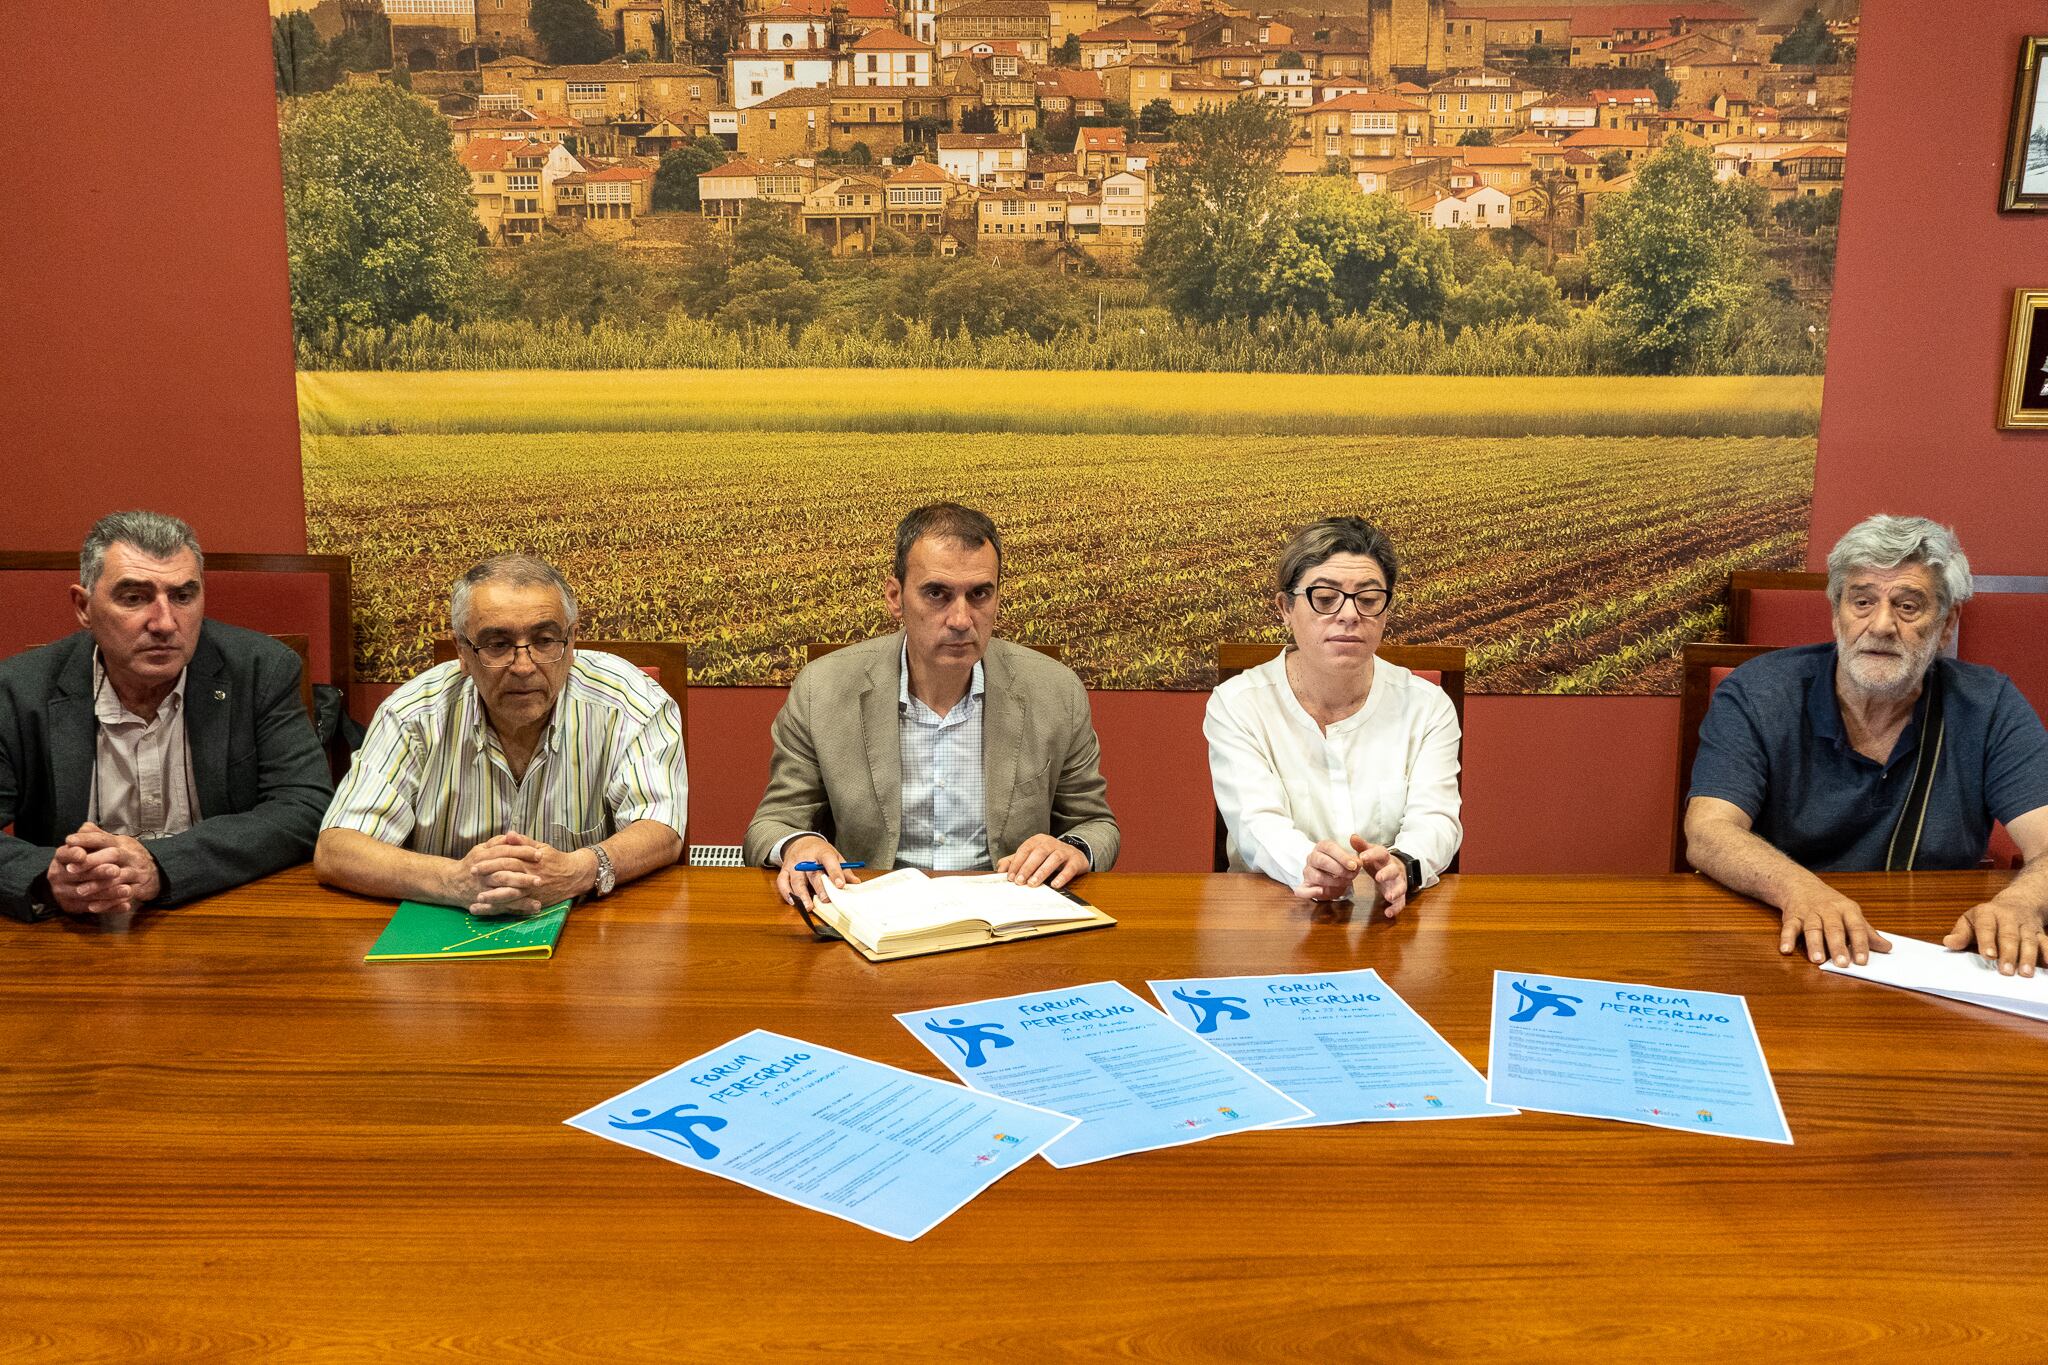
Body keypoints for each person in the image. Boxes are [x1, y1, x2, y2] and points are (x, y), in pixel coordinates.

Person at [1685, 514, 2048, 975]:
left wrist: (2023, 901)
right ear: (1836, 610)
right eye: (1861, 601)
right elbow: (1708, 832)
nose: (1880, 625)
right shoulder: (1757, 692)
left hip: (1934, 950)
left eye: (1909, 606)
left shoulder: (1990, 703)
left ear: (1947, 622)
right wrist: (1800, 888)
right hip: (1784, 937)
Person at [746, 502, 1119, 910]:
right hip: (873, 914)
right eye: (937, 594)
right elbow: (772, 825)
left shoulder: (1054, 691)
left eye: (979, 594)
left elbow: (1095, 825)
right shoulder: (823, 689)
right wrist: (799, 844)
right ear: (895, 597)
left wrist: (1073, 848)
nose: (961, 618)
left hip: (1007, 916)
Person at [0, 510, 333, 923]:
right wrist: (47, 879)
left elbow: (304, 805)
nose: (165, 623)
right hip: (75, 927)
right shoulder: (18, 689)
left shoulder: (260, 670)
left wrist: (160, 864)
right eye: (135, 597)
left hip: (222, 911)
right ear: (84, 607)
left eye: (182, 595)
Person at [315, 554, 685, 913]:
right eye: (498, 645)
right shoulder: (413, 713)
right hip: (445, 933)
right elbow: (337, 849)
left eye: (544, 641)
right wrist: (455, 880)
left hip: (589, 926)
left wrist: (579, 871)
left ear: (571, 642)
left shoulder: (630, 702)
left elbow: (661, 830)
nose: (523, 666)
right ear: (463, 650)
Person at [1205, 516, 1462, 914]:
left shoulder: (1428, 706)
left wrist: (1403, 865)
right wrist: (1307, 866)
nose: (1349, 615)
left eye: (1369, 599)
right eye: (1325, 599)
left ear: (1386, 610)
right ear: (1286, 608)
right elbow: (1257, 825)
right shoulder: (1238, 703)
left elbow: (1437, 820)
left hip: (1388, 915)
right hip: (1272, 912)